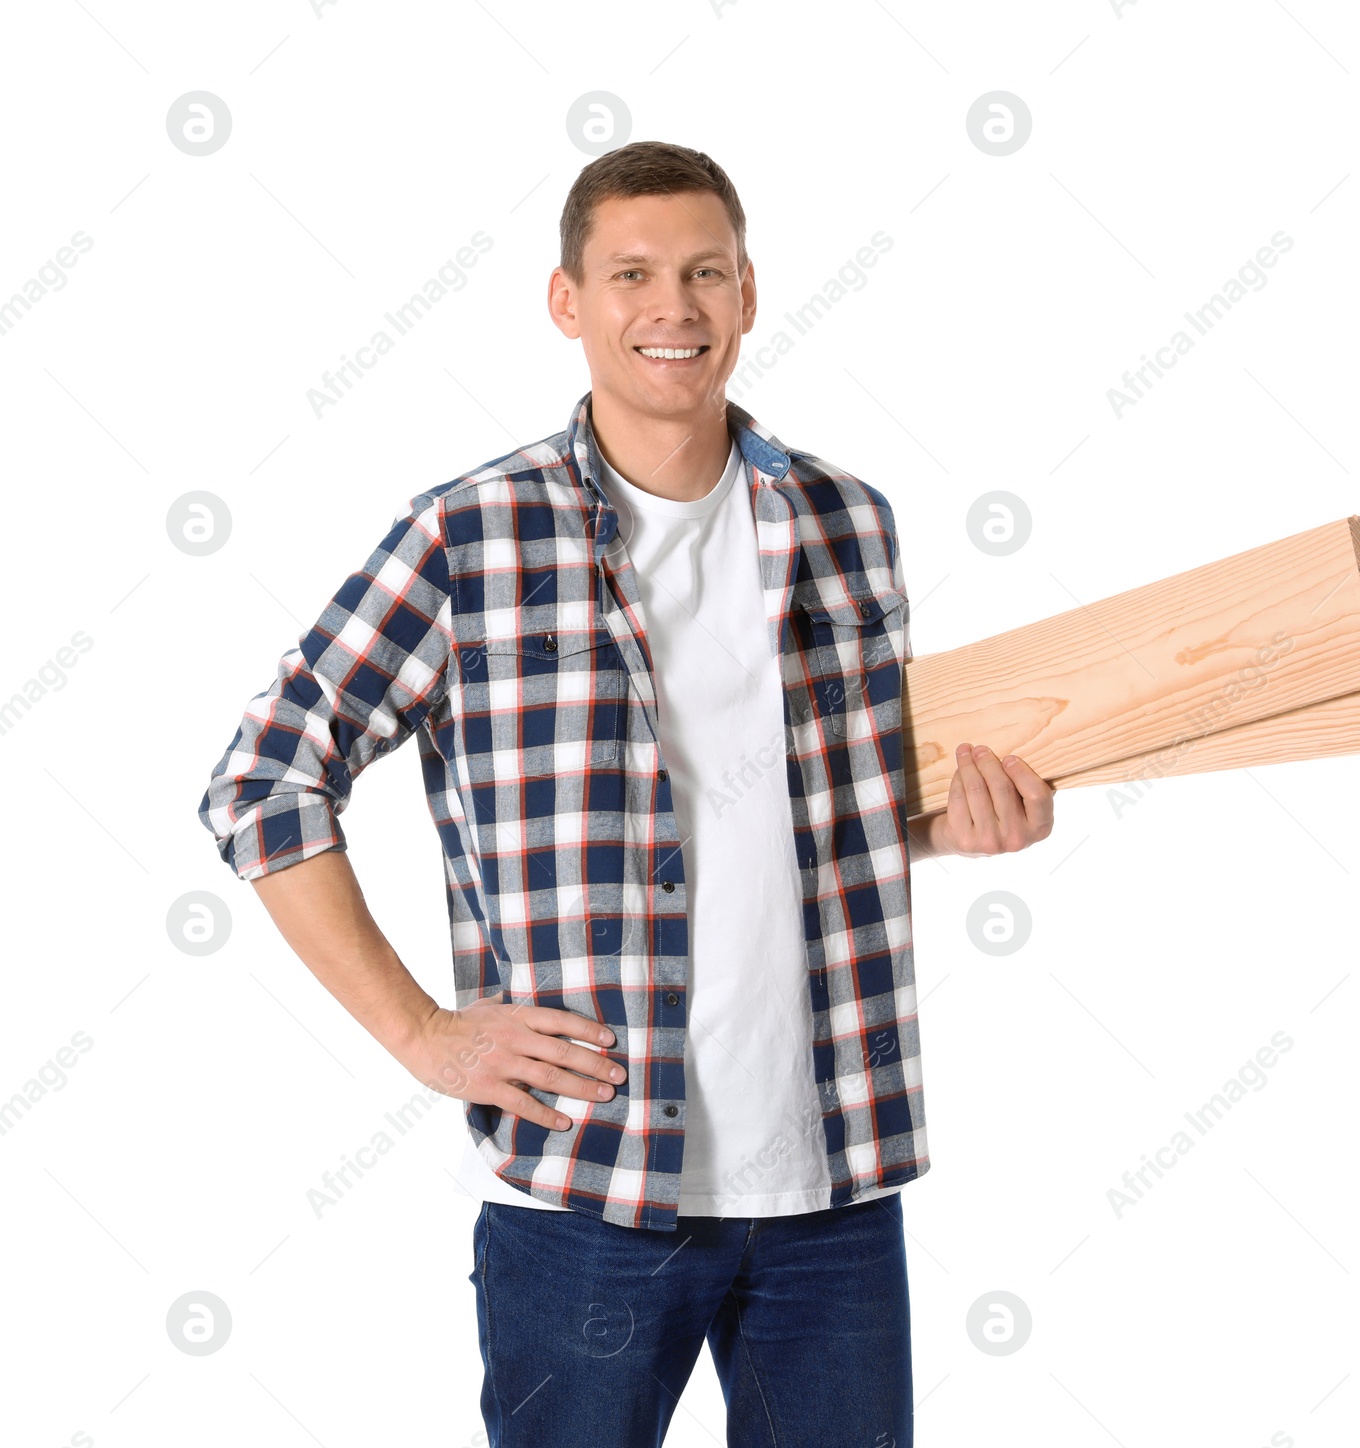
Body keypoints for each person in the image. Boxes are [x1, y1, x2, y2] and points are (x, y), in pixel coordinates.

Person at [198, 139, 1054, 1447]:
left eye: (706, 272)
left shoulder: (846, 521)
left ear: (749, 293)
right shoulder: (469, 536)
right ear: (569, 302)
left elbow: (818, 814)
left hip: (832, 1185)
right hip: (587, 1194)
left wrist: (956, 820)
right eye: (634, 274)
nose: (675, 308)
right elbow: (266, 779)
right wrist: (423, 1034)